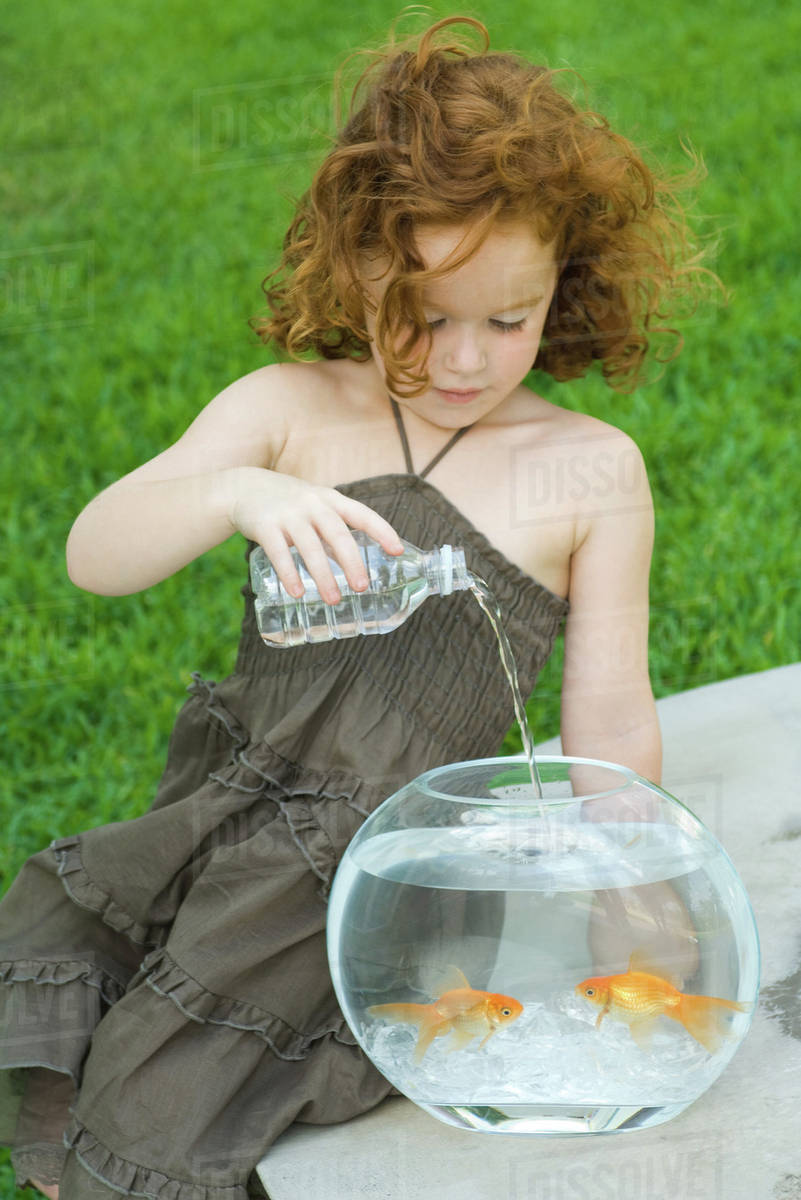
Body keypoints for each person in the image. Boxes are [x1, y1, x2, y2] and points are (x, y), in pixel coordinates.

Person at [0, 15, 713, 1198]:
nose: (468, 362)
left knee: (151, 1101)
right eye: (424, 316)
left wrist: (640, 892)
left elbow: (609, 720)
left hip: (391, 866)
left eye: (509, 319)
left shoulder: (589, 468)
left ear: (562, 287)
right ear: (360, 268)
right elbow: (93, 555)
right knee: (73, 984)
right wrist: (235, 489)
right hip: (221, 812)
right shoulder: (290, 408)